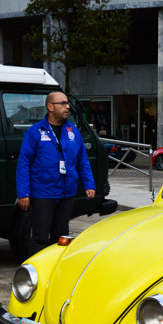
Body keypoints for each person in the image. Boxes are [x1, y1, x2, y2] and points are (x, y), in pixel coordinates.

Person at [16, 92, 96, 256]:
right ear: (50, 107)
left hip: (66, 192)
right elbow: (24, 163)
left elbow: (82, 160)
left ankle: (56, 272)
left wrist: (89, 184)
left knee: (61, 237)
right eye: (63, 103)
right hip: (43, 193)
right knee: (39, 236)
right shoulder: (35, 131)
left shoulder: (72, 130)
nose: (67, 106)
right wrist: (23, 193)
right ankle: (35, 273)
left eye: (67, 103)